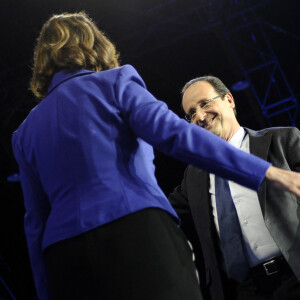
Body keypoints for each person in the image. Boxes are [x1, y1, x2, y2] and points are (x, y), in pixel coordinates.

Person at [12, 12, 300, 300]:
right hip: (137, 238)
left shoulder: (24, 132)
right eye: (191, 112)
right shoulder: (115, 82)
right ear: (93, 45)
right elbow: (175, 134)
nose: (198, 117)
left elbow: (35, 222)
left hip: (65, 259)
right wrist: (267, 172)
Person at [169, 75, 300, 300]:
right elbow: (163, 210)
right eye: (191, 113)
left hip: (294, 275)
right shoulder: (194, 175)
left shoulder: (283, 140)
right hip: (242, 291)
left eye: (205, 103)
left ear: (229, 100)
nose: (200, 116)